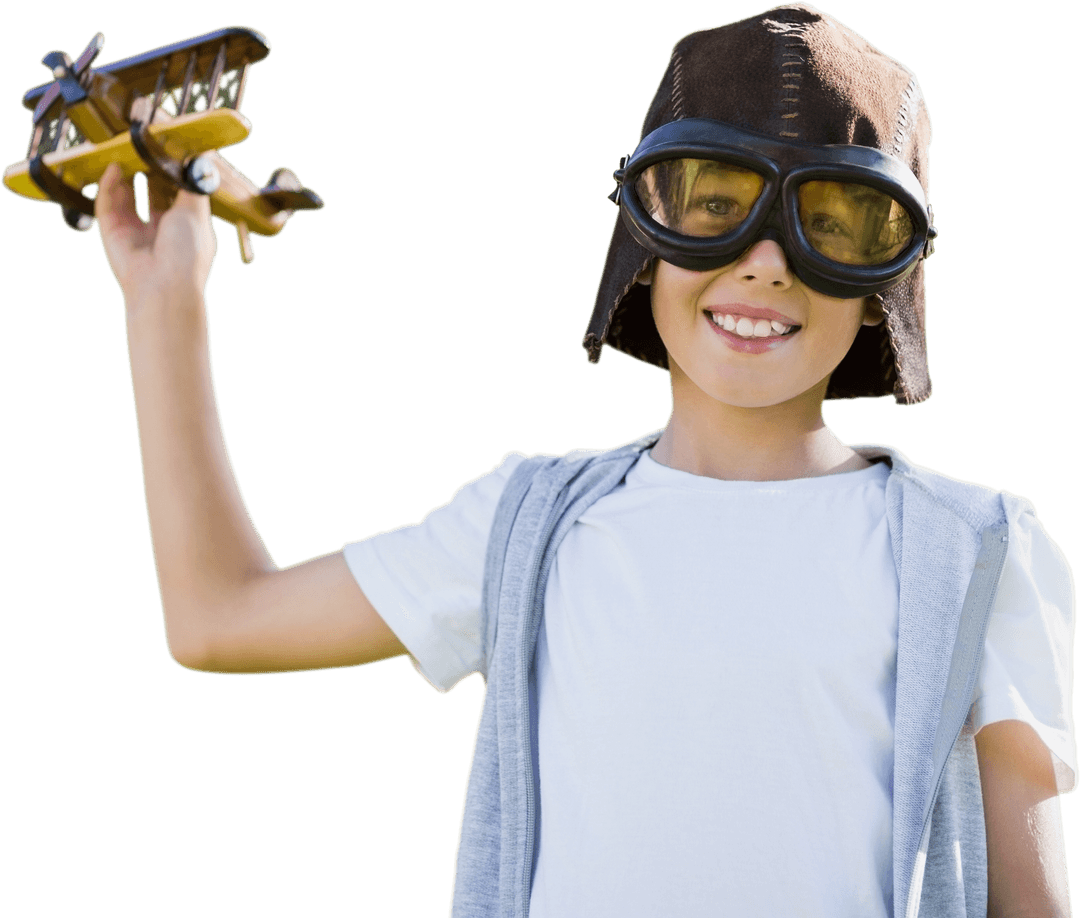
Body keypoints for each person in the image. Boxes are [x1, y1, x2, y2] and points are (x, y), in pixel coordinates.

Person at [94, 3, 1074, 915]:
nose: (766, 258)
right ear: (640, 231)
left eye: (834, 219)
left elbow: (1029, 903)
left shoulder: (976, 553)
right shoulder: (528, 522)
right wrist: (164, 299)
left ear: (886, 281)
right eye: (712, 199)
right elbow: (217, 620)